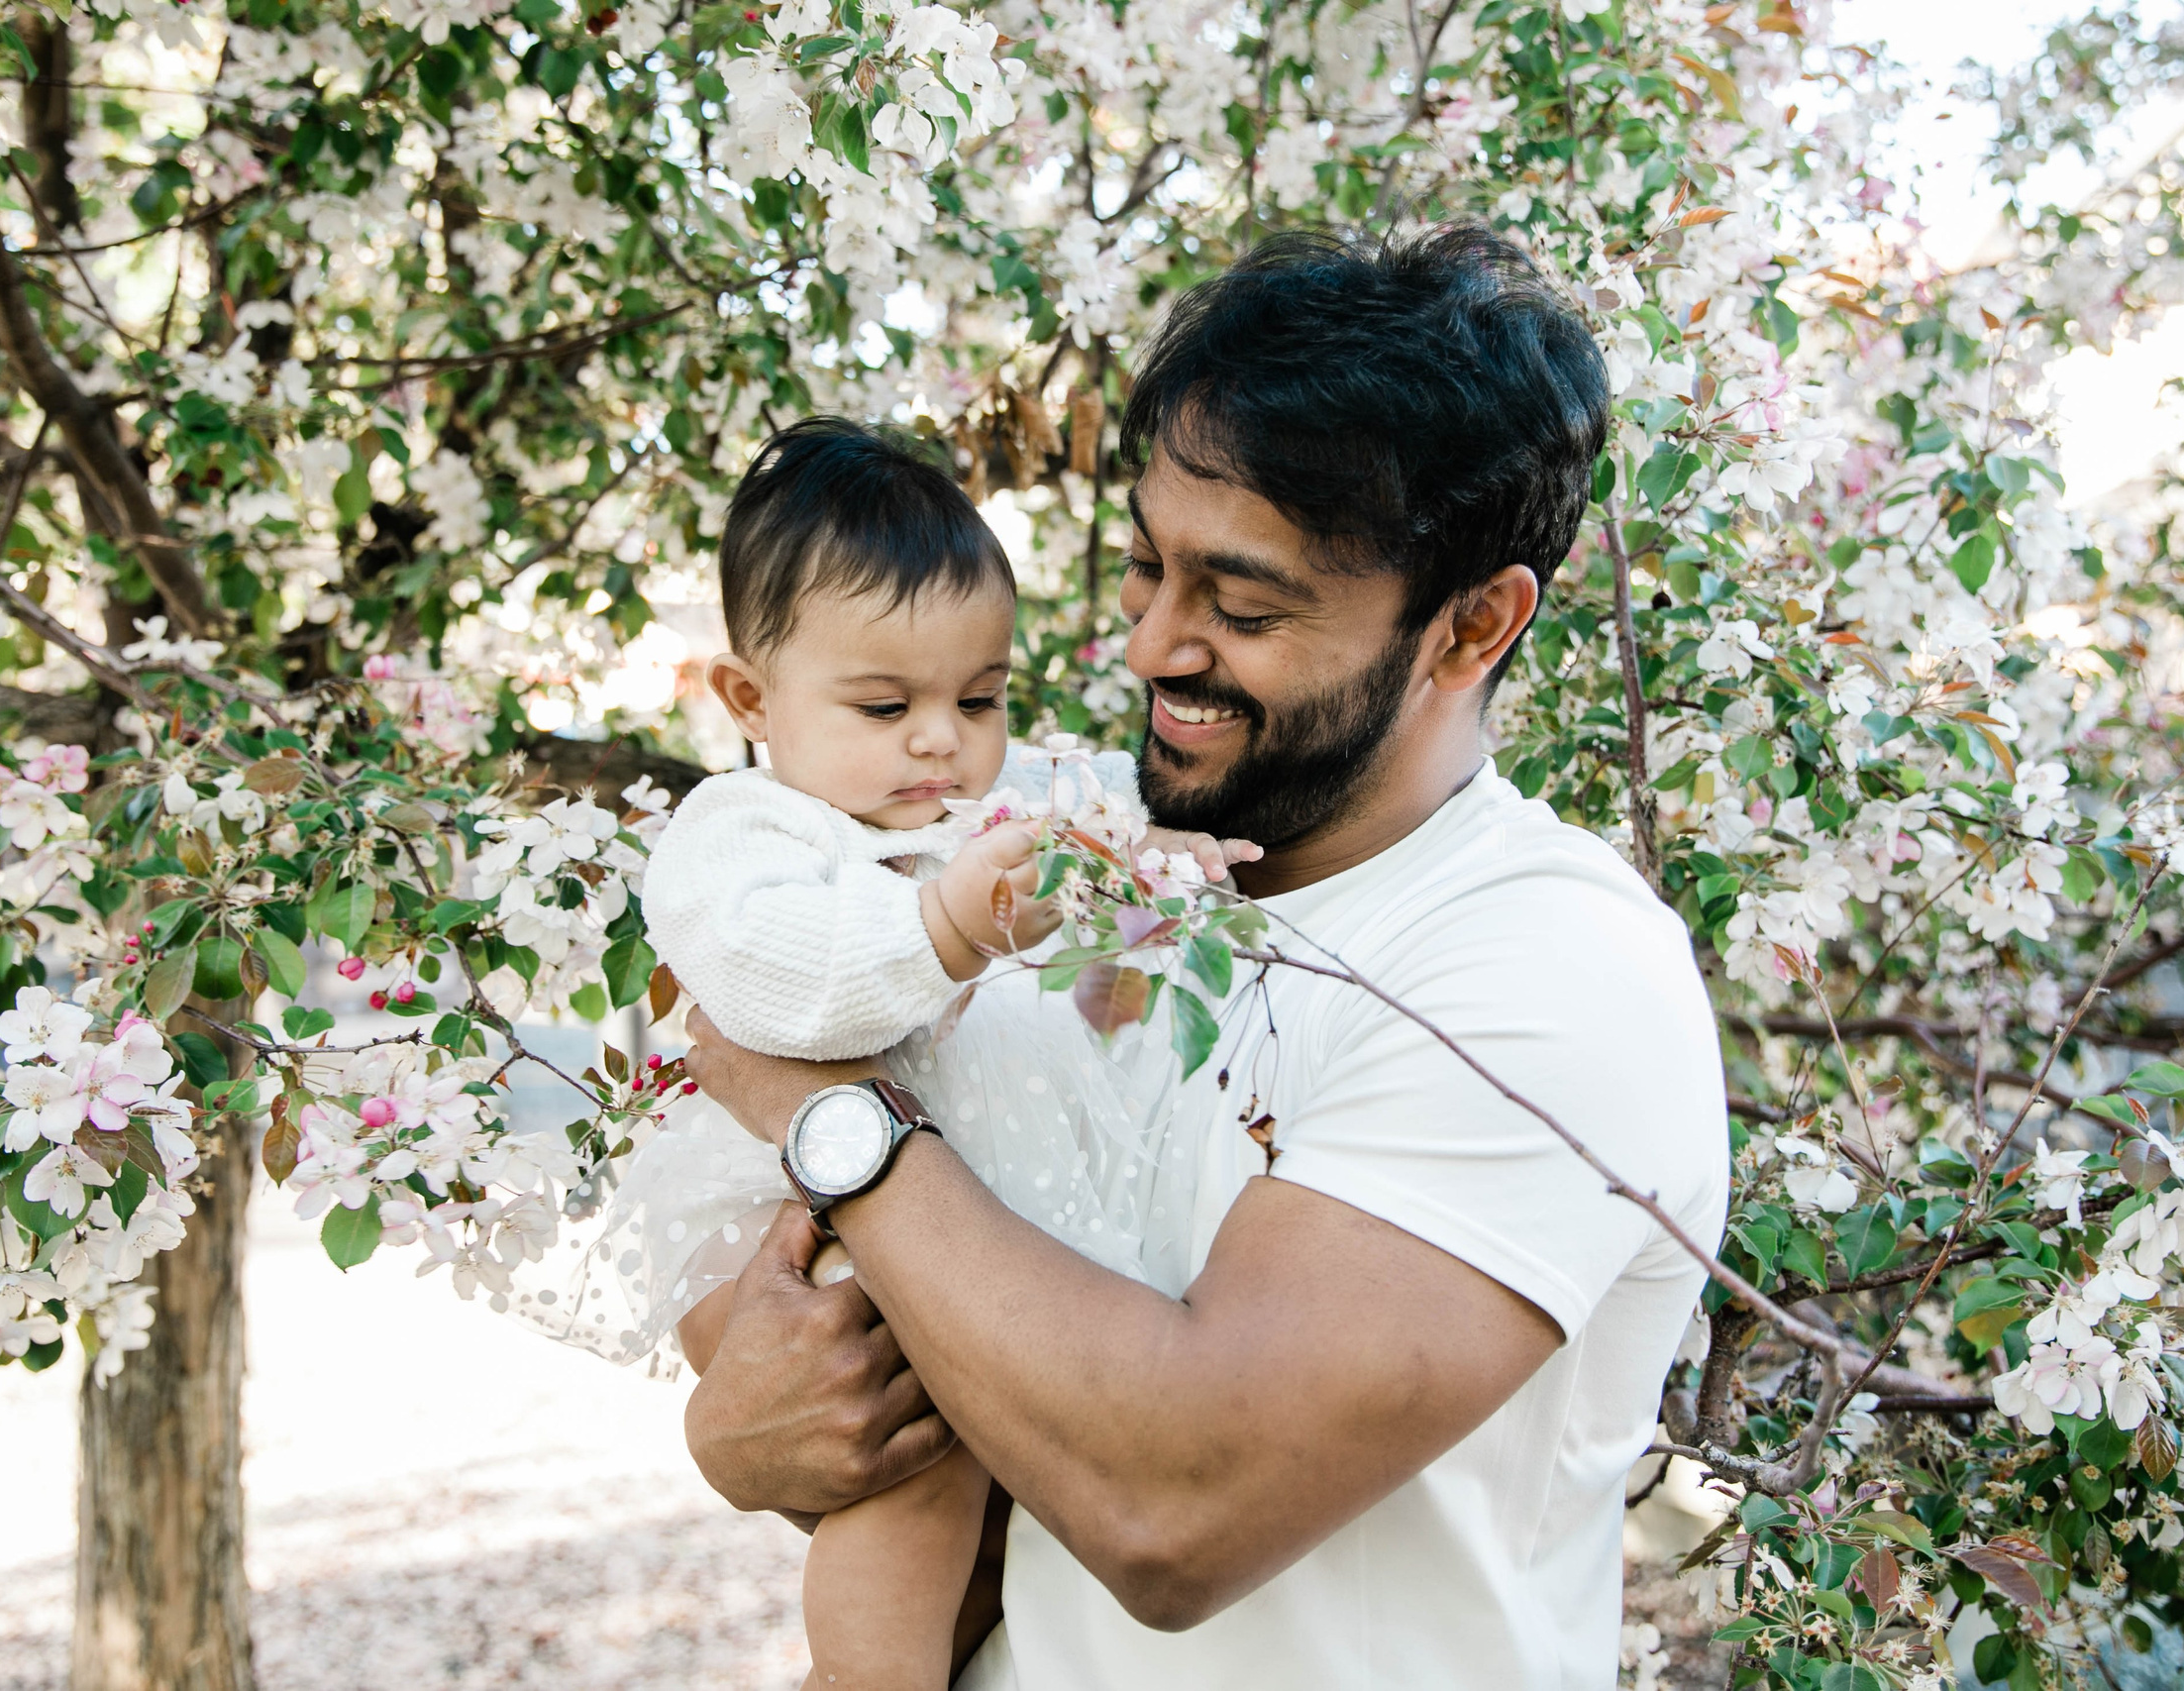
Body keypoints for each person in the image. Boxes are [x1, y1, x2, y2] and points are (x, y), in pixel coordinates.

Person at [677, 226, 1732, 1690]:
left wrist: (830, 1112)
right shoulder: (1079, 875)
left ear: (1472, 625)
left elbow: (1170, 1506)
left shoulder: (1552, 964)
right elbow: (972, 1395)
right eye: (1144, 568)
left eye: (1241, 607)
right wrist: (747, 1428)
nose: (1151, 647)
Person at [546, 417, 1250, 1691]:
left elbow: (1102, 814)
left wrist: (1162, 855)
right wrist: (941, 926)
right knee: (913, 1464)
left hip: (956, 1206)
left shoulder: (995, 801)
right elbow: (773, 979)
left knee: (1001, 1478)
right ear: (749, 700)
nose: (940, 739)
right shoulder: (746, 832)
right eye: (886, 705)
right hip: (801, 1225)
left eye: (978, 698)